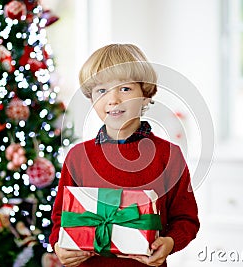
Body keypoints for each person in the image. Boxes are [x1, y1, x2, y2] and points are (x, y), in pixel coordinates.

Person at [49, 43, 200, 267]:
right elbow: (61, 219)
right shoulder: (77, 157)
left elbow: (186, 219)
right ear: (92, 99)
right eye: (102, 90)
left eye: (125, 89)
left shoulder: (169, 156)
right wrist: (57, 246)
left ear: (146, 95)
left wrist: (169, 242)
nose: (113, 100)